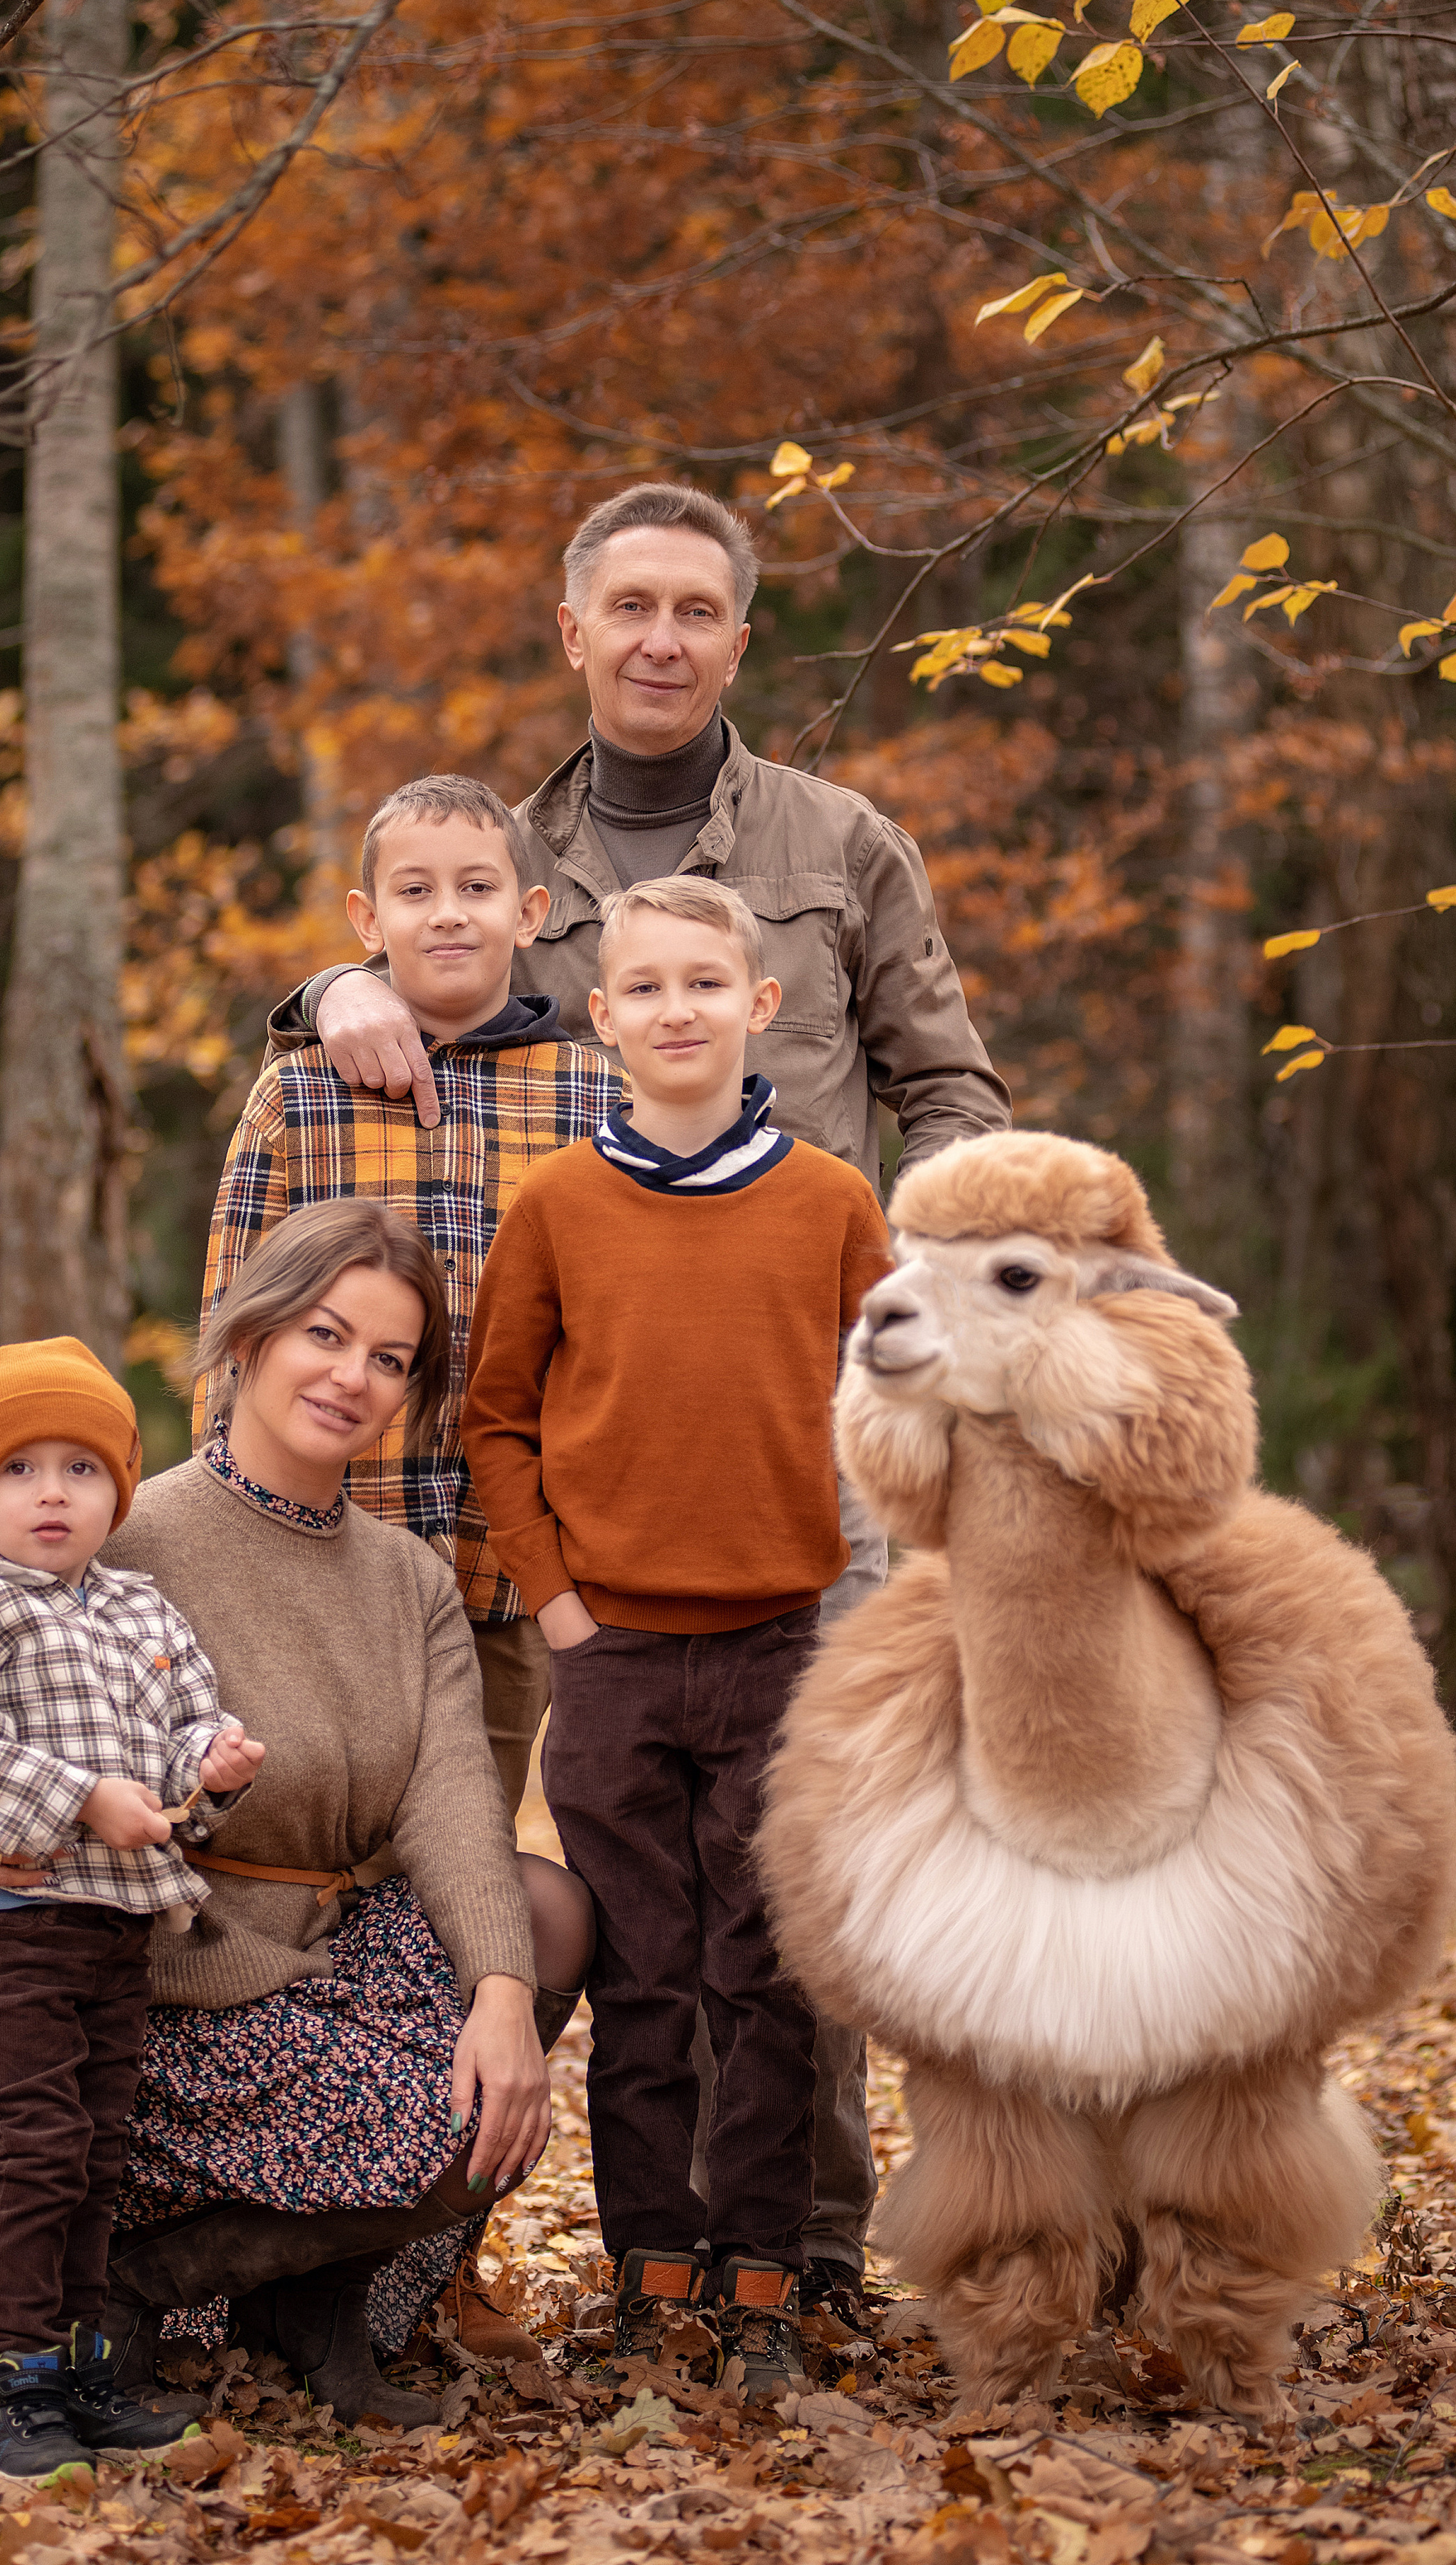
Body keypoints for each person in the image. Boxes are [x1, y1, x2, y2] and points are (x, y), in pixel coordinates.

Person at [276, 481, 1012, 2320]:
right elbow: (392, 967)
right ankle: (448, 2266)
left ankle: (805, 2259)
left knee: (794, 1888)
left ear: (741, 638)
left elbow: (957, 1089)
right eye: (633, 608)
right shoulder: (502, 864)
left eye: (701, 608)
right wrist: (330, 982)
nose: (665, 638)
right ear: (576, 632)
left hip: (813, 1457)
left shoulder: (843, 844)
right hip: (573, 1471)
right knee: (527, 1889)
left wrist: (920, 1312)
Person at [0, 1203, 594, 2430]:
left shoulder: (410, 1577)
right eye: (326, 1333)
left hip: (316, 1970)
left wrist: (504, 1995)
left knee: (545, 1924)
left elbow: (456, 1799)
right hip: (141, 1989)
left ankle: (306, 2297)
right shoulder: (113, 1523)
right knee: (437, 2128)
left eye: (391, 1359)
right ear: (249, 1338)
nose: (352, 1377)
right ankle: (118, 2291)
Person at [461, 878, 891, 2400]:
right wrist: (561, 1607)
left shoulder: (833, 1205)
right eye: (643, 989)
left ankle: (763, 2280)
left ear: (759, 1004)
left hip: (783, 1648)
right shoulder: (557, 1205)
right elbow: (496, 1420)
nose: (676, 1011)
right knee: (644, 1979)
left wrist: (863, 1606)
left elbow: (890, 1407)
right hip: (613, 1661)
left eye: (705, 984)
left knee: (765, 1978)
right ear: (604, 1017)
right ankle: (649, 2272)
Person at [0, 1335, 265, 2486]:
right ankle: (18, 2377)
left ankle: (85, 2364)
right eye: (22, 1469)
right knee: (37, 2149)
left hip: (118, 1927)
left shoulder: (142, 1609)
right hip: (13, 1923)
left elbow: (183, 1732)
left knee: (97, 2155)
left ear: (117, 1494)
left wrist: (213, 1763)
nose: (53, 1492)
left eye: (82, 1470)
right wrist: (81, 1799)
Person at [200, 773, 618, 1820]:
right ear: (367, 918)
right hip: (326, 1541)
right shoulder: (300, 1094)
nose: (446, 914)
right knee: (309, 1824)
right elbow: (232, 1325)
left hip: (510, 1557)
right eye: (415, 890)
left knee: (465, 1831)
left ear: (528, 915)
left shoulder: (595, 1094)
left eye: (478, 888)